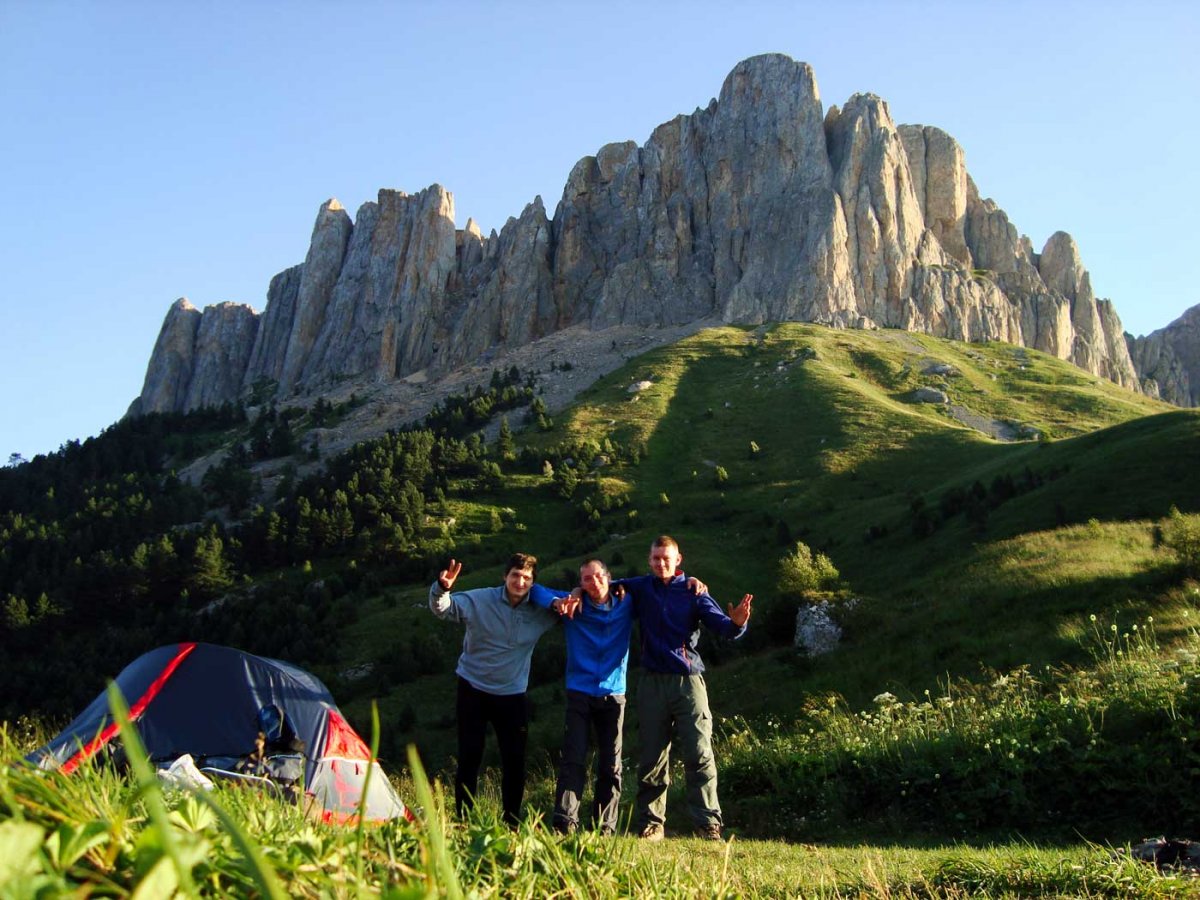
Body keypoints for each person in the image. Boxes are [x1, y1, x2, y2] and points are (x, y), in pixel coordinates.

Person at [532, 560, 710, 835]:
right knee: (573, 759)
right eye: (586, 579)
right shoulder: (573, 607)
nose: (594, 583)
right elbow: (535, 590)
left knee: (611, 765)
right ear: (581, 583)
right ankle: (564, 823)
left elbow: (658, 591)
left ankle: (605, 827)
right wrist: (562, 600)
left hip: (614, 695)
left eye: (598, 577)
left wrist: (691, 582)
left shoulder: (626, 603)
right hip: (579, 692)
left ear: (610, 578)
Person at [621, 535, 752, 842]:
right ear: (649, 559)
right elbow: (602, 585)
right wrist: (575, 590)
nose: (660, 563)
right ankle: (652, 823)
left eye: (666, 558)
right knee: (652, 756)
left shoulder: (694, 591)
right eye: (655, 559)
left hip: (688, 681)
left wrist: (737, 624)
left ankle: (708, 823)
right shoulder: (640, 587)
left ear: (678, 559)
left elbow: (723, 627)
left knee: (699, 752)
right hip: (651, 681)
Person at [429, 553, 560, 826]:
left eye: (526, 578)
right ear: (505, 576)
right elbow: (443, 609)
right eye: (515, 575)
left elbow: (573, 600)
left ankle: (512, 823)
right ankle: (464, 821)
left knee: (514, 761)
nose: (520, 582)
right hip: (473, 688)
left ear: (534, 583)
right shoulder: (480, 599)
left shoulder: (541, 610)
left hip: (512, 696)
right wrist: (442, 588)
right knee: (470, 756)